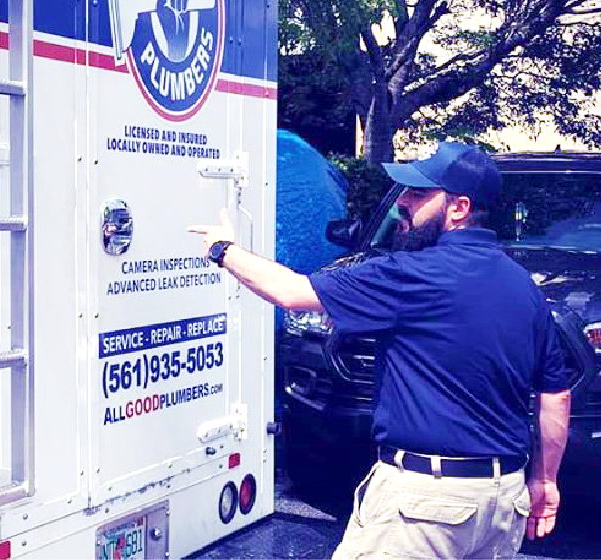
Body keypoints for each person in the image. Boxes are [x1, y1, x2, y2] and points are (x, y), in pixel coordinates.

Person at [189, 142, 573, 559]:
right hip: (503, 502)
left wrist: (223, 250)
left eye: (418, 194)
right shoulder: (524, 287)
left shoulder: (410, 274)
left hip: (426, 504)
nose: (402, 204)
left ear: (459, 208)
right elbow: (556, 394)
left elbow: (291, 292)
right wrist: (545, 480)